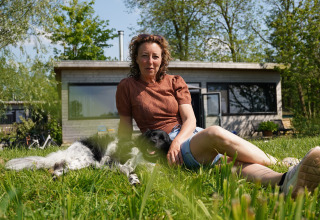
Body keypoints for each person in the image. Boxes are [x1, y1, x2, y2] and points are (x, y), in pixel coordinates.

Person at [115, 34, 320, 197]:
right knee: (215, 134)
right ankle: (282, 163)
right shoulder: (127, 86)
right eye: (144, 55)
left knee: (230, 164)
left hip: (187, 136)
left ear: (162, 59)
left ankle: (283, 181)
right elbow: (124, 129)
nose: (149, 61)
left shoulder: (174, 81)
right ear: (136, 58)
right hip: (163, 146)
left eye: (155, 56)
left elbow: (190, 119)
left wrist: (178, 140)